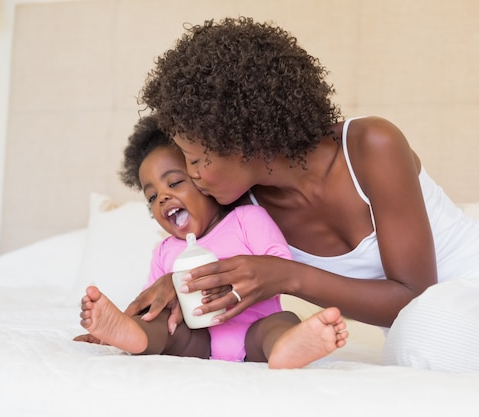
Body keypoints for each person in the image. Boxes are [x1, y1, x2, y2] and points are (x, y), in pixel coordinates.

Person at [129, 17, 479, 373]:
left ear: (241, 136)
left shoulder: (369, 144)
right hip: (438, 319)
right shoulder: (243, 213)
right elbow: (422, 308)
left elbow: (414, 287)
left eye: (198, 158)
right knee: (424, 334)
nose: (193, 175)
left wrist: (289, 276)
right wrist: (180, 281)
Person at [73, 115, 348, 369]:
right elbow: (152, 302)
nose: (163, 198)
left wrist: (223, 276)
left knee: (282, 322)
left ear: (203, 182)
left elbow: (281, 266)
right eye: (152, 197)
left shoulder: (246, 220)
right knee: (160, 324)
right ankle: (129, 336)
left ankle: (286, 347)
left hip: (255, 328)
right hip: (198, 342)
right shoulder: (165, 251)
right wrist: (132, 321)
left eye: (175, 183)